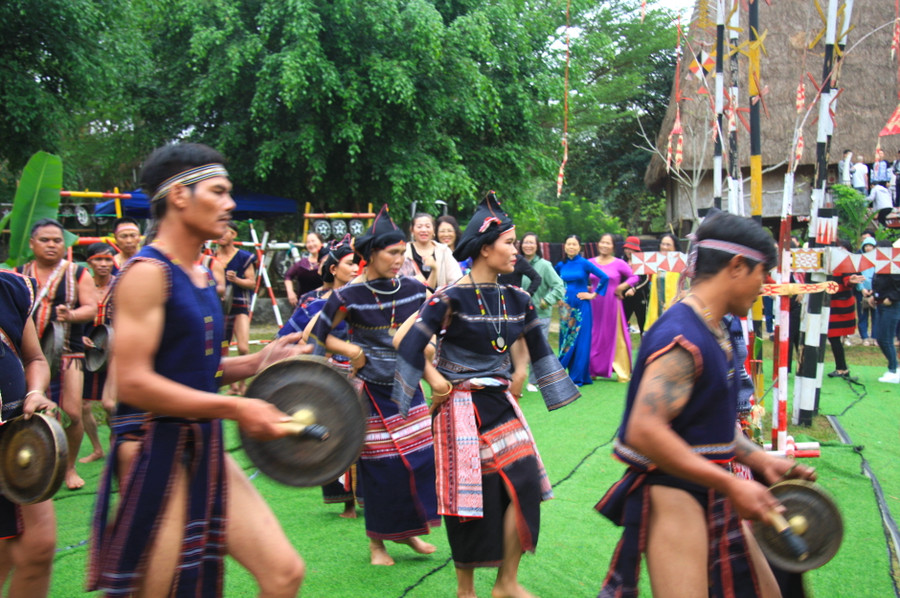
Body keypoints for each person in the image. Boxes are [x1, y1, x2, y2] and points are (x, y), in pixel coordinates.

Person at [87, 143, 307, 597]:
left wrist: (259, 361)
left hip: (201, 443)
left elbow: (193, 367)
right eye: (219, 191)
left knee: (284, 573)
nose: (230, 205)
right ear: (180, 196)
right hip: (153, 449)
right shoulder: (148, 273)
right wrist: (237, 409)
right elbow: (132, 382)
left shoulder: (202, 273)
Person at [595, 211, 817, 598]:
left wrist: (757, 459)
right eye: (762, 274)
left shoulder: (715, 327)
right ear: (736, 266)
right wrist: (730, 482)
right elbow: (644, 431)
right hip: (675, 497)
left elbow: (708, 419)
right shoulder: (682, 336)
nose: (764, 286)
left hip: (710, 486)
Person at [392, 191, 580, 598]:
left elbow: (538, 349)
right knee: (471, 497)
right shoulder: (450, 297)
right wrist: (435, 380)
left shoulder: (518, 299)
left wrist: (525, 370)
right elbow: (405, 343)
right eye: (510, 243)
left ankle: (506, 583)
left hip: (498, 403)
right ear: (484, 247)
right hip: (458, 406)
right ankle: (466, 590)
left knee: (525, 481)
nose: (518, 251)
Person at [309, 204, 439, 566]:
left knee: (418, 460)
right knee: (382, 467)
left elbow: (431, 327)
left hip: (408, 389)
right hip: (370, 392)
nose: (400, 259)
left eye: (403, 252)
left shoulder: (415, 288)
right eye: (392, 253)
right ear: (369, 255)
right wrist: (350, 347)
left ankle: (410, 531)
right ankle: (377, 545)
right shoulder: (346, 296)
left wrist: (429, 350)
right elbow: (320, 336)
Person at [17, 218, 98, 490]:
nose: (52, 245)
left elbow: (91, 308)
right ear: (32, 243)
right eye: (45, 240)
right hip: (25, 356)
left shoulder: (78, 273)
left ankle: (69, 467)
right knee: (26, 413)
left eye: (57, 240)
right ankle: (36, 469)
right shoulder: (18, 274)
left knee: (73, 413)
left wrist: (71, 314)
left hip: (68, 352)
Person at [0, 271, 58, 598]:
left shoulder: (8, 288)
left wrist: (35, 391)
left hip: (16, 442)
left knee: (38, 547)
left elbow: (34, 358)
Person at [80, 243, 118, 464]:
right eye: (98, 260)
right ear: (89, 263)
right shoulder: (81, 286)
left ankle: (114, 444)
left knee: (109, 404)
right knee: (83, 405)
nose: (104, 264)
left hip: (115, 351)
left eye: (108, 259)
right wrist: (79, 338)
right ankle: (97, 448)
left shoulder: (122, 284)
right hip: (87, 351)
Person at [555, 235, 609, 386]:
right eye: (568, 244)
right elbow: (553, 281)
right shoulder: (560, 265)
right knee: (566, 339)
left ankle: (577, 377)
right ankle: (562, 374)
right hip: (565, 308)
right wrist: (557, 296)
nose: (571, 247)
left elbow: (604, 277)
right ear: (565, 247)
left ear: (579, 247)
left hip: (582, 306)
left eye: (574, 244)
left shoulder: (584, 263)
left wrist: (593, 294)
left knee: (581, 341)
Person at [588, 233, 639, 382]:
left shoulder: (619, 263)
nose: (604, 245)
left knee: (614, 335)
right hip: (593, 304)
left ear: (613, 247)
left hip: (611, 304)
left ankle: (621, 370)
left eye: (608, 243)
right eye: (602, 242)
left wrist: (622, 286)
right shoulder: (590, 262)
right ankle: (592, 369)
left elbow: (634, 277)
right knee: (593, 335)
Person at [519, 232, 566, 393]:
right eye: (525, 242)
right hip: (517, 314)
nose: (528, 245)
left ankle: (534, 380)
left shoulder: (544, 265)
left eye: (532, 242)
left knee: (536, 347)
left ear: (537, 246)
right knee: (516, 348)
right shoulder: (515, 263)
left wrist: (547, 300)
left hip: (540, 314)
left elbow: (559, 286)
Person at [215, 221, 257, 394]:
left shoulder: (243, 257)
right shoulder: (210, 257)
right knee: (221, 348)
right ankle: (231, 386)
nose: (222, 235)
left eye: (226, 231)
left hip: (240, 306)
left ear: (234, 235)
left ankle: (242, 384)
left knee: (243, 348)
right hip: (218, 307)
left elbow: (252, 283)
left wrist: (236, 280)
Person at [825, 240, 864, 378]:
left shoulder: (847, 265)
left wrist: (851, 280)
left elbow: (848, 279)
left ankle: (842, 368)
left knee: (834, 337)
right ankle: (841, 367)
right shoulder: (829, 263)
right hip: (829, 305)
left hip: (840, 306)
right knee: (831, 337)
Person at [403, 212, 462, 289]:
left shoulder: (444, 251)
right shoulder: (404, 251)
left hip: (440, 299)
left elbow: (456, 281)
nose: (424, 230)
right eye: (419, 227)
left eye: (428, 226)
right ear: (412, 230)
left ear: (433, 229)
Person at [869, 243, 900, 384]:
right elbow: (877, 282)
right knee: (881, 338)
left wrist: (892, 297)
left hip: (891, 305)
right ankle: (894, 367)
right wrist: (872, 295)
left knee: (886, 339)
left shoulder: (894, 264)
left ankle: (894, 369)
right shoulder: (880, 264)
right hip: (880, 303)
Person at [644, 232, 682, 331]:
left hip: (676, 306)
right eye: (662, 244)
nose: (664, 247)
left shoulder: (682, 262)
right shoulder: (654, 262)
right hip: (657, 307)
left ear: (675, 247)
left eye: (668, 244)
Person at [284, 231, 325, 305]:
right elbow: (288, 276)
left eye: (313, 241)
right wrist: (290, 292)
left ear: (321, 243)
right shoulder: (302, 262)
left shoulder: (328, 261)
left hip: (322, 302)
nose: (311, 244)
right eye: (308, 242)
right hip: (303, 304)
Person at [621, 236, 650, 335]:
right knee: (622, 322)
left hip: (640, 296)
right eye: (626, 248)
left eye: (630, 249)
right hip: (625, 297)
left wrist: (634, 289)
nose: (628, 251)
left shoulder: (642, 261)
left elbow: (646, 279)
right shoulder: (622, 261)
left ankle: (645, 347)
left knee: (643, 323)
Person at [856, 237, 878, 347]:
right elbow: (857, 274)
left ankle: (875, 337)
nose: (868, 248)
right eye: (866, 246)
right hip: (862, 290)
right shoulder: (860, 259)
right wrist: (862, 289)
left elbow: (879, 276)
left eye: (871, 246)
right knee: (863, 315)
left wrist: (874, 289)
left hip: (875, 290)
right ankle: (864, 337)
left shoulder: (878, 260)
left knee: (876, 315)